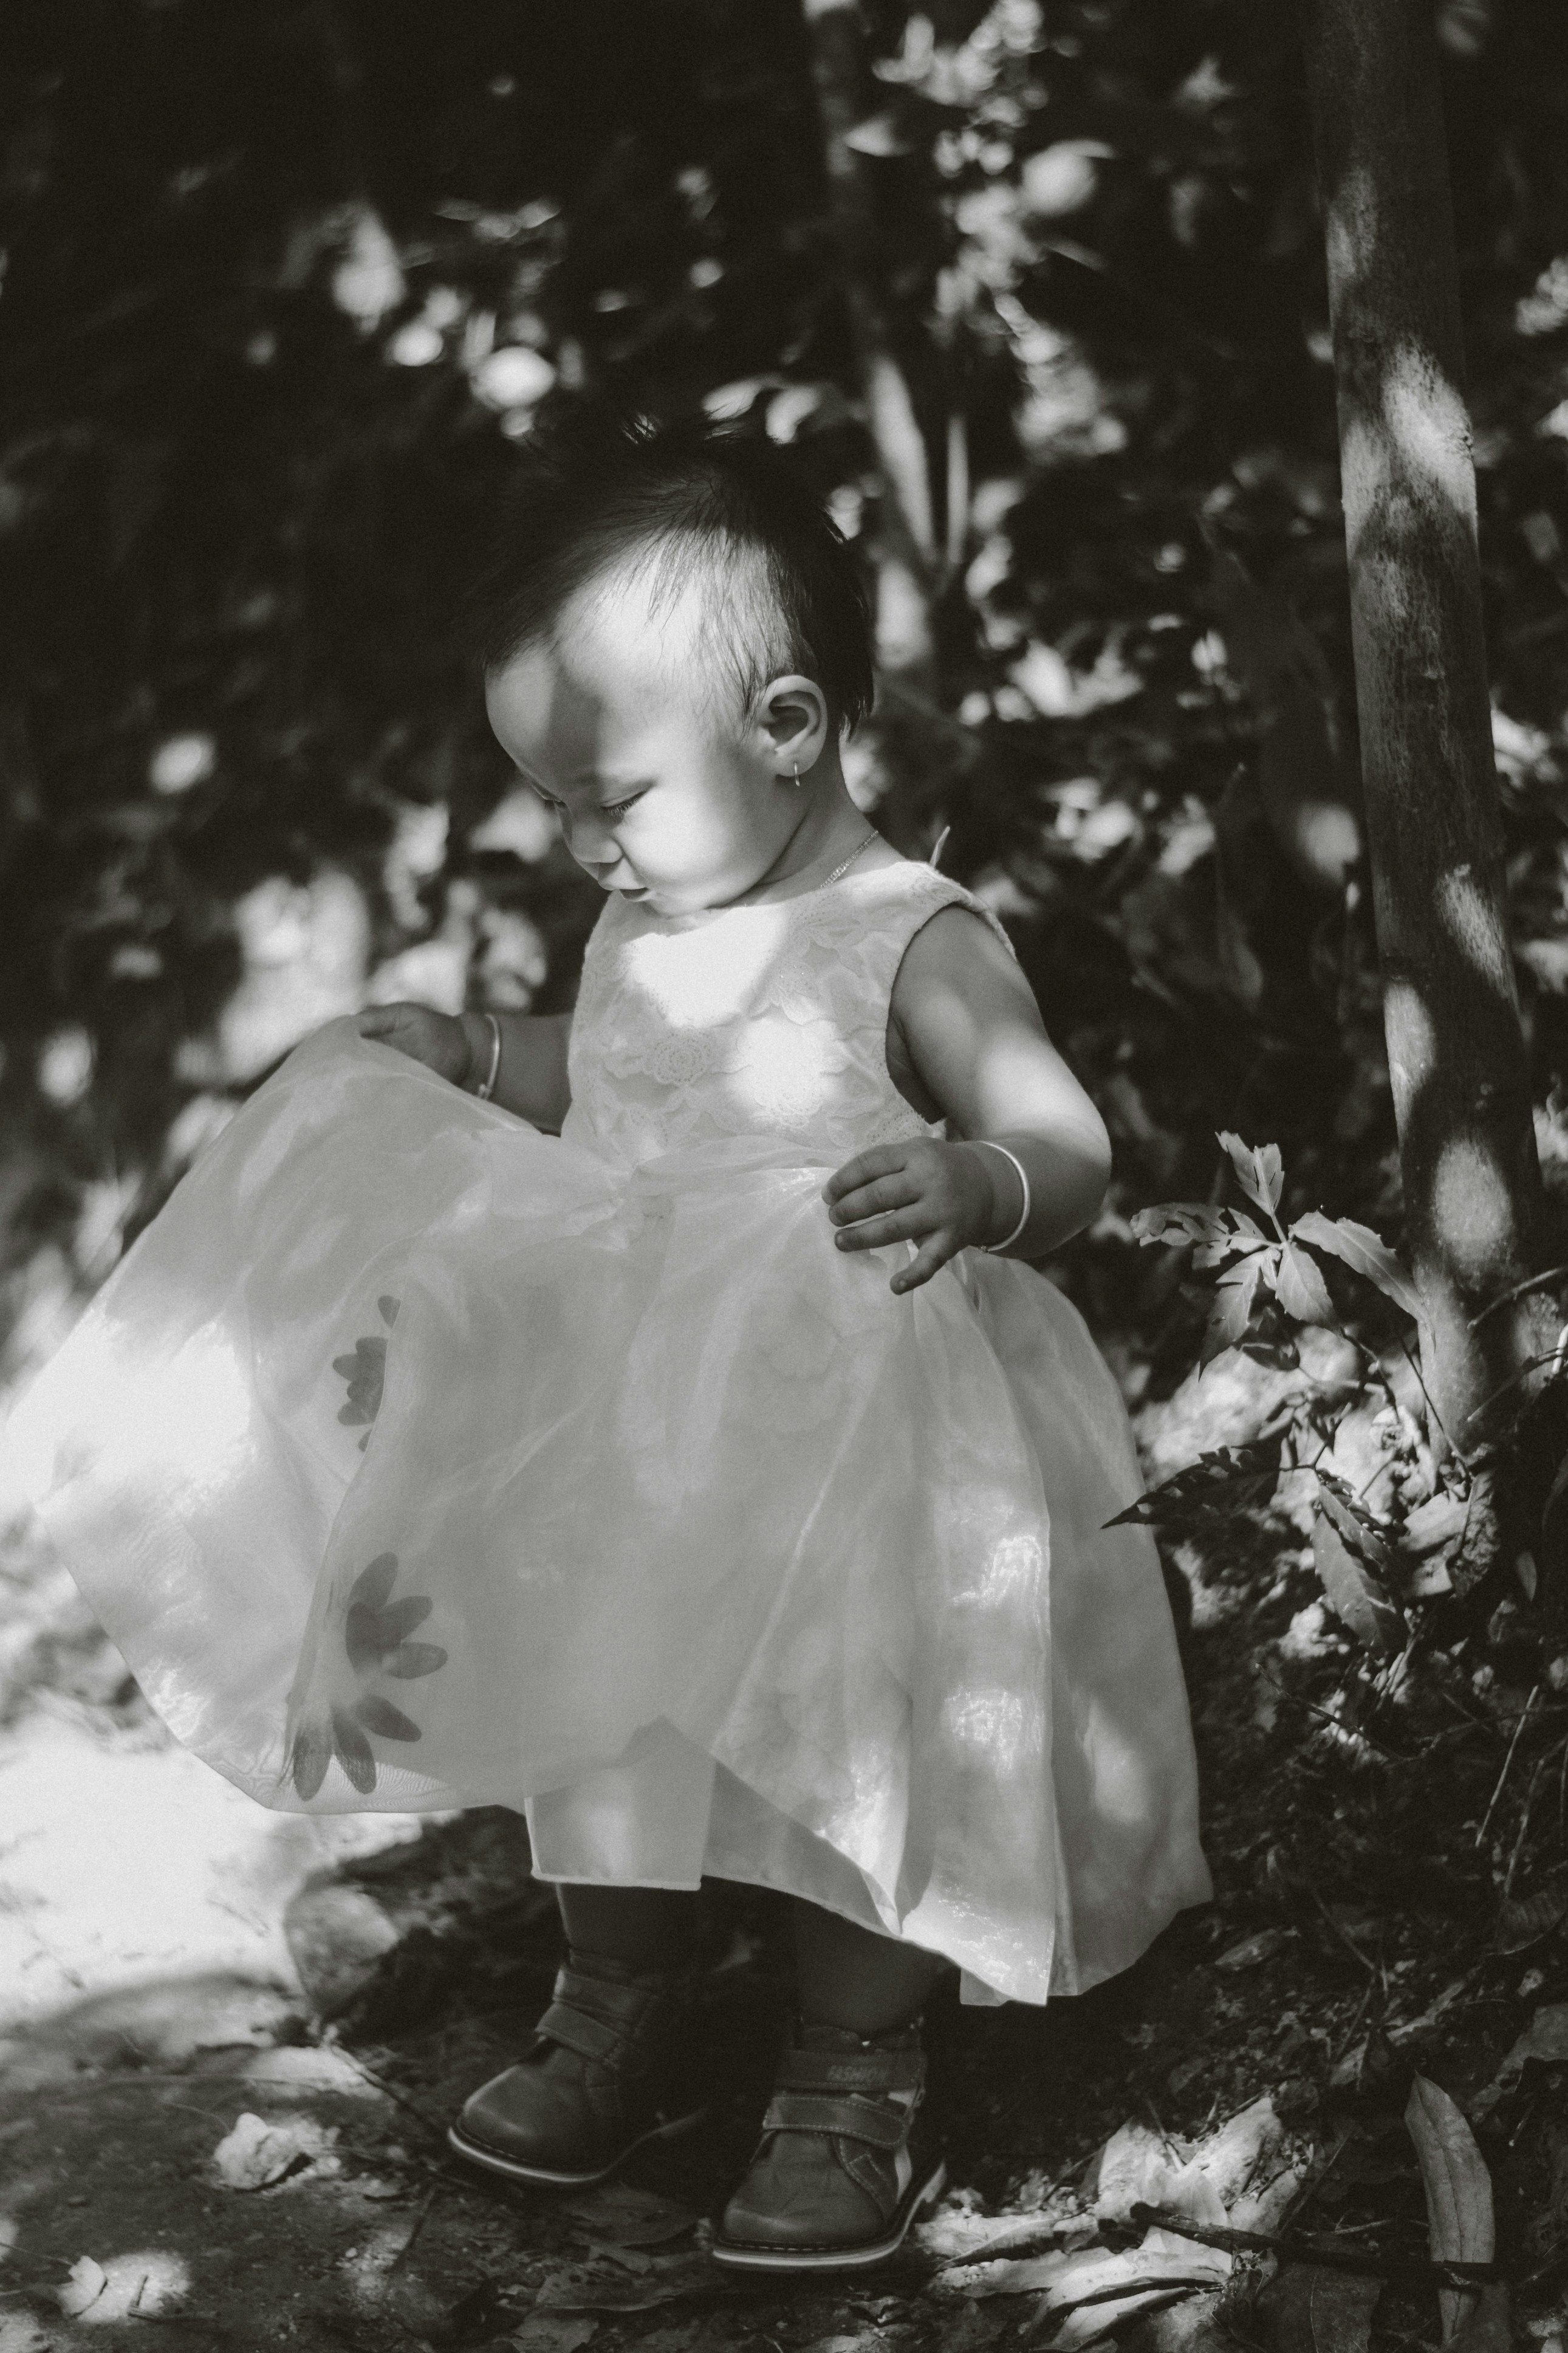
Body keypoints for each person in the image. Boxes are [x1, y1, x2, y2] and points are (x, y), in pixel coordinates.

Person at [5, 416, 1210, 2273]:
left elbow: (1073, 1146)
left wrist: (977, 1180)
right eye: (558, 801)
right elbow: (637, 1073)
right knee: (609, 1718)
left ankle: (854, 2061)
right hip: (653, 1423)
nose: (584, 843)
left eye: (612, 795)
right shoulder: (649, 915)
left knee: (849, 1725)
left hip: (853, 1439)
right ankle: (615, 1999)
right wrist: (485, 1058)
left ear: (789, 727)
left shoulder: (910, 936)